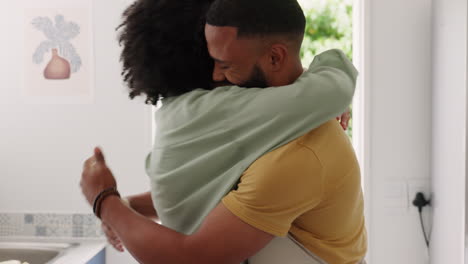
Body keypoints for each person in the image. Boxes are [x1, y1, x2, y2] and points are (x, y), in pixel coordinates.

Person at [80, 0, 365, 263]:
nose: (219, 73)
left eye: (226, 63)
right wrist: (114, 204)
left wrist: (110, 203)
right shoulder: (251, 123)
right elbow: (227, 193)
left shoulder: (294, 151)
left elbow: (193, 254)